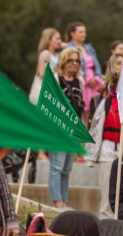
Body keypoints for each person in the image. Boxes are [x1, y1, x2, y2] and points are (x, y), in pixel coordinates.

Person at [86, 66, 123, 218]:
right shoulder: (107, 103)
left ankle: (122, 229)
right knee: (107, 196)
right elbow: (94, 128)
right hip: (109, 150)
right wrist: (91, 153)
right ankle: (105, 231)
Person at [50, 48, 85, 208]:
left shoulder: (80, 81)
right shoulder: (56, 79)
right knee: (56, 166)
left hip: (73, 129)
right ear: (64, 62)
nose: (74, 64)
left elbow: (81, 106)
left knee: (67, 168)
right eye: (71, 60)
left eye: (77, 61)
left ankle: (64, 199)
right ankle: (57, 200)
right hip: (58, 128)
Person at [66, 22, 104, 125]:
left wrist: (97, 77)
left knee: (96, 107)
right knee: (84, 109)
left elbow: (96, 64)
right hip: (82, 80)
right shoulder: (69, 48)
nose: (84, 34)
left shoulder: (89, 47)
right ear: (72, 33)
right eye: (80, 32)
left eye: (84, 32)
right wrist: (85, 79)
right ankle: (84, 133)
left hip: (94, 80)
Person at [29, 28, 62, 105]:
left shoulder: (57, 55)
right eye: (57, 39)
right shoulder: (45, 54)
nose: (60, 41)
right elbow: (42, 74)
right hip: (44, 90)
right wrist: (58, 71)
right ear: (49, 41)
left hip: (52, 90)